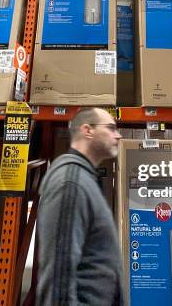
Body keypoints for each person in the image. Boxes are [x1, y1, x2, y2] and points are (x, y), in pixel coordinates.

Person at [36, 107, 125, 306]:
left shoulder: (83, 178)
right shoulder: (71, 183)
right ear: (87, 130)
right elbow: (59, 268)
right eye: (111, 128)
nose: (118, 135)